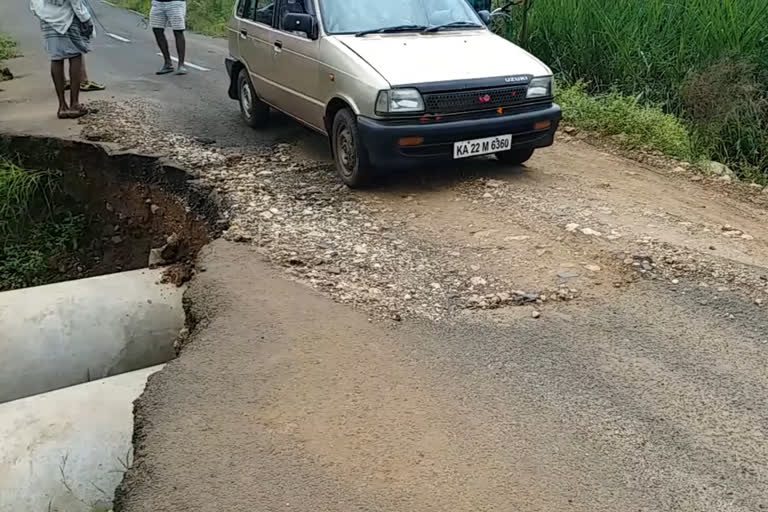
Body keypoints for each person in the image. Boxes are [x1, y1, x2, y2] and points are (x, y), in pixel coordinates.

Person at [30, 0, 95, 118]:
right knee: (75, 55)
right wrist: (85, 17)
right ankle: (74, 104)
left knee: (56, 58)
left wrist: (42, 12)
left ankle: (62, 106)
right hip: (68, 16)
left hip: (47, 18)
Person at [149, 0, 187, 75]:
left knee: (178, 30)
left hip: (175, 2)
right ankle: (167, 63)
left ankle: (181, 65)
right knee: (157, 29)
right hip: (158, 3)